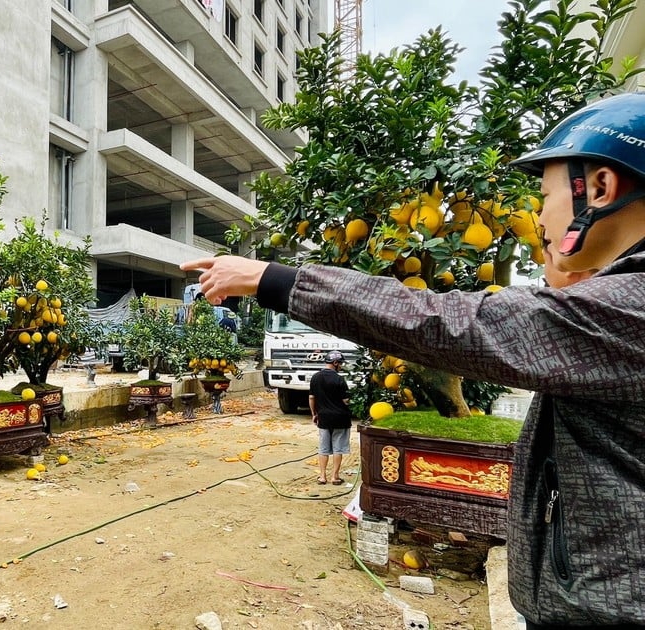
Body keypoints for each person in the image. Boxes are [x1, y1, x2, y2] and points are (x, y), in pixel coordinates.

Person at [181, 92, 645, 627]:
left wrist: (273, 278)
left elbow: (445, 322)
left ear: (602, 188)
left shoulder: (630, 308)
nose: (538, 216)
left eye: (545, 196)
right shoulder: (616, 305)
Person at [308, 350, 350, 485]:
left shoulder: (316, 377)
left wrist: (314, 414)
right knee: (338, 448)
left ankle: (322, 477)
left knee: (323, 448)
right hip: (340, 419)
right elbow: (346, 401)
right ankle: (335, 477)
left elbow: (311, 398)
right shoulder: (339, 379)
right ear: (335, 363)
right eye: (341, 363)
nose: (341, 366)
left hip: (323, 418)